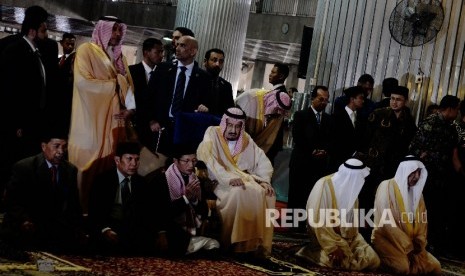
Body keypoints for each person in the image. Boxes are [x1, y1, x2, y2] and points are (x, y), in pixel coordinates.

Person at [68, 16, 136, 214]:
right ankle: (82, 213)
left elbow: (130, 87)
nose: (117, 34)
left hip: (116, 121)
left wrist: (131, 109)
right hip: (91, 121)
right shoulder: (86, 51)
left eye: (119, 30)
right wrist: (114, 84)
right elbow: (83, 83)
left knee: (111, 165)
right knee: (88, 166)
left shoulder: (120, 58)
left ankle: (105, 214)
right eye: (113, 30)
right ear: (102, 30)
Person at [197, 107, 275, 258]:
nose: (233, 130)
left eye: (237, 127)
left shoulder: (246, 139)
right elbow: (207, 158)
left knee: (267, 194)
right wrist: (227, 178)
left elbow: (262, 161)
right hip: (218, 179)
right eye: (230, 126)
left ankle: (254, 246)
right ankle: (231, 243)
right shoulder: (212, 133)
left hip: (244, 178)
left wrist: (264, 181)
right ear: (224, 123)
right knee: (238, 193)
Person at [1, 129, 85, 253]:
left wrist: (79, 229)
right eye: (56, 146)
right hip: (27, 224)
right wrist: (24, 220)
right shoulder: (24, 167)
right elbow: (11, 201)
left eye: (64, 147)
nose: (61, 151)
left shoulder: (70, 170)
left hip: (54, 227)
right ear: (44, 146)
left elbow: (74, 205)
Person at [0, 6, 50, 203]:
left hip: (31, 124)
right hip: (16, 126)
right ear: (32, 31)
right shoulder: (15, 51)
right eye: (44, 30)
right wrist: (17, 123)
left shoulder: (36, 52)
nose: (46, 35)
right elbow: (9, 91)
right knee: (12, 165)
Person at [296, 158, 380, 271]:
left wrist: (351, 241)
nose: (362, 181)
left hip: (348, 238)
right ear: (353, 177)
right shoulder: (323, 185)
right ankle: (308, 252)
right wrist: (333, 247)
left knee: (374, 260)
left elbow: (351, 223)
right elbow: (316, 219)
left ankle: (345, 256)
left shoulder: (352, 190)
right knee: (339, 263)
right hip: (324, 239)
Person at [371, 156, 441, 275]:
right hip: (387, 240)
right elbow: (386, 222)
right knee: (402, 268)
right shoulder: (386, 186)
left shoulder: (418, 193)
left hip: (412, 245)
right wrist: (407, 245)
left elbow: (423, 221)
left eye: (419, 173)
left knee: (435, 266)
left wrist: (419, 242)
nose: (417, 177)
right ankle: (377, 257)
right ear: (404, 171)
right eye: (413, 172)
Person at [146, 144, 219, 256]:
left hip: (190, 230)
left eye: (194, 161)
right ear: (176, 161)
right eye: (186, 161)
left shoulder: (196, 180)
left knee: (214, 244)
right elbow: (162, 214)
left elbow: (203, 211)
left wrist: (194, 199)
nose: (191, 165)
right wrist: (185, 198)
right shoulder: (161, 180)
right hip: (169, 228)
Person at [409, 95, 460, 255]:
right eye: (457, 110)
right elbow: (414, 148)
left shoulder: (451, 127)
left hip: (442, 178)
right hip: (426, 177)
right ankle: (415, 242)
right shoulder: (430, 123)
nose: (458, 113)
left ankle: (430, 243)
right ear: (450, 109)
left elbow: (453, 150)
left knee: (436, 211)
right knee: (422, 210)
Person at [147, 35, 212, 157]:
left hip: (186, 133)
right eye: (177, 45)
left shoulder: (204, 78)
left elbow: (209, 105)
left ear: (193, 51)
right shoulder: (162, 69)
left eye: (182, 45)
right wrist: (151, 120)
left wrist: (205, 108)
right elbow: (148, 97)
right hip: (160, 129)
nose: (177, 48)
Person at [87, 142, 153, 255]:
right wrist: (105, 230)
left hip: (133, 231)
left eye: (137, 159)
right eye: (129, 159)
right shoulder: (102, 181)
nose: (134, 163)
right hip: (109, 227)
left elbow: (146, 214)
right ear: (117, 160)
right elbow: (94, 212)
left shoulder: (142, 183)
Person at [287, 85, 332, 231]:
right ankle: (293, 226)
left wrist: (324, 151)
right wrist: (312, 151)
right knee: (296, 194)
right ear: (312, 98)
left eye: (326, 100)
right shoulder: (301, 115)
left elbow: (330, 139)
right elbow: (298, 137)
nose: (323, 103)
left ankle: (308, 226)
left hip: (318, 165)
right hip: (301, 161)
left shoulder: (328, 119)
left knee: (312, 196)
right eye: (321, 99)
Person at [235, 63, 291, 164]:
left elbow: (270, 121)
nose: (270, 75)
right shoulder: (272, 93)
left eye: (273, 72)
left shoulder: (282, 96)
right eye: (270, 72)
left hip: (269, 141)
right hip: (263, 140)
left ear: (281, 76)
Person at [129, 38, 164, 149]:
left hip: (154, 130)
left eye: (162, 52)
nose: (161, 55)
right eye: (157, 52)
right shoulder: (132, 71)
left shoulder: (162, 75)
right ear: (146, 52)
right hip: (135, 125)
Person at [329, 86, 366, 170]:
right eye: (361, 98)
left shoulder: (361, 118)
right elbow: (334, 140)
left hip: (355, 163)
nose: (363, 101)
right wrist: (352, 153)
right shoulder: (336, 117)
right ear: (352, 99)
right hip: (339, 162)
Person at [55, 32, 77, 135]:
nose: (70, 46)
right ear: (61, 43)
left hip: (67, 99)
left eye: (72, 44)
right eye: (67, 43)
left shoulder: (75, 59)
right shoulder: (58, 60)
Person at [203, 48, 234, 117]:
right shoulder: (196, 80)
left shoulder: (227, 86)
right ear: (205, 61)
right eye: (214, 60)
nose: (217, 64)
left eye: (221, 61)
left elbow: (229, 110)